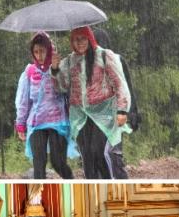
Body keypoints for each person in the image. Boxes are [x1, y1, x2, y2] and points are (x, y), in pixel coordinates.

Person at [51, 26, 132, 179]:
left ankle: (110, 188)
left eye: (83, 38)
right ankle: (92, 192)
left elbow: (119, 83)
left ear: (89, 38)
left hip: (103, 113)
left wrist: (122, 110)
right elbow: (61, 87)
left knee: (100, 152)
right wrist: (55, 70)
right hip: (80, 116)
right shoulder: (69, 61)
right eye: (76, 39)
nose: (80, 43)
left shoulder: (103, 56)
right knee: (87, 155)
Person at [15, 31, 76, 179]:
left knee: (58, 162)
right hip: (37, 122)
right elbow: (24, 100)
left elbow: (66, 89)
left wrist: (55, 70)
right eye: (36, 52)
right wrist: (20, 124)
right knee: (39, 164)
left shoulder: (60, 67)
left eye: (42, 51)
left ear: (48, 50)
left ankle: (73, 185)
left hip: (58, 121)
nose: (39, 55)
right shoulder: (29, 71)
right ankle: (39, 197)